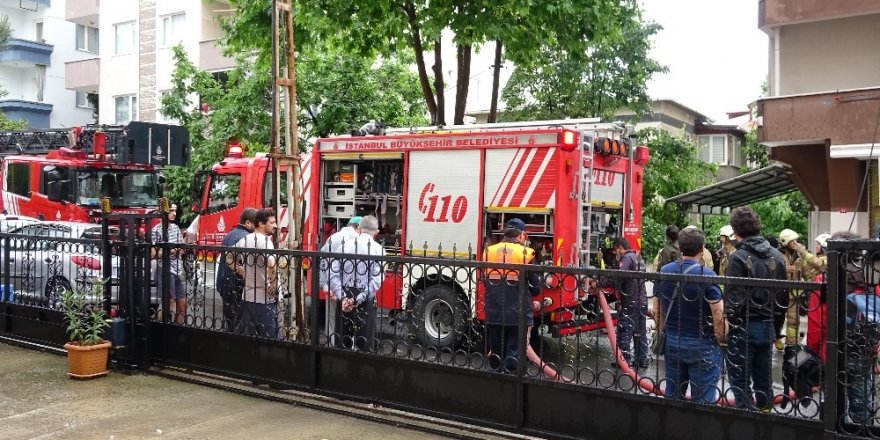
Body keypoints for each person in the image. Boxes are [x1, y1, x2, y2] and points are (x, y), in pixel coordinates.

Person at [724, 206, 787, 411]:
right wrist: (776, 330)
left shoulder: (737, 257)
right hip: (768, 325)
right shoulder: (778, 257)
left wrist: (730, 326)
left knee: (740, 382)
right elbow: (782, 299)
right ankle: (765, 419)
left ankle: (746, 423)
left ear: (735, 230)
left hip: (743, 326)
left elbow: (734, 299)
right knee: (764, 382)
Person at [658, 227, 727, 404]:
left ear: (680, 247)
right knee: (703, 401)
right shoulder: (708, 276)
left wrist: (661, 331)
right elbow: (718, 316)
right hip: (702, 344)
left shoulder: (665, 271)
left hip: (673, 341)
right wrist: (721, 340)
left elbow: (658, 306)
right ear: (702, 249)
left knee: (673, 396)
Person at [483, 218, 542, 372]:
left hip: (494, 312)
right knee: (514, 356)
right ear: (522, 235)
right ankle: (513, 389)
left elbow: (485, 281)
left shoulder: (489, 251)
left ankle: (495, 386)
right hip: (517, 315)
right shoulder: (525, 254)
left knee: (495, 355)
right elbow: (536, 289)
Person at [328, 215, 385, 351]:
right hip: (364, 299)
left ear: (359, 229)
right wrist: (357, 299)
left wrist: (343, 297)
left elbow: (333, 273)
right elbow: (376, 280)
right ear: (376, 232)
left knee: (342, 342)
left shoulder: (344, 246)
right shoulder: (379, 250)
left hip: (344, 297)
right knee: (366, 344)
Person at [228, 208, 279, 338]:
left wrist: (242, 271)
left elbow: (229, 258)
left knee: (251, 339)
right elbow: (272, 264)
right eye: (272, 223)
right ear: (261, 224)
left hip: (249, 297)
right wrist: (273, 286)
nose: (275, 226)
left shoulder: (245, 239)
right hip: (265, 299)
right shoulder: (265, 242)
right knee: (270, 339)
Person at [778, 229, 824, 348]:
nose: (795, 243)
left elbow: (808, 274)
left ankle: (791, 344)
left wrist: (815, 274)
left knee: (793, 321)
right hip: (779, 293)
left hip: (793, 295)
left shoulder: (800, 256)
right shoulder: (778, 255)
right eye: (792, 241)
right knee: (777, 318)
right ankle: (776, 337)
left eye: (796, 241)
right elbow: (771, 271)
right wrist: (784, 270)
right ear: (785, 242)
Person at [320, 217, 362, 342]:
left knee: (332, 320)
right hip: (351, 288)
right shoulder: (358, 239)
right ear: (358, 227)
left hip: (332, 286)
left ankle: (332, 345)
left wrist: (325, 286)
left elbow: (323, 262)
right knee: (352, 320)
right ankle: (349, 347)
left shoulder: (332, 238)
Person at [611, 237, 649, 369]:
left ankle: (624, 360)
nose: (616, 253)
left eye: (616, 250)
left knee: (624, 330)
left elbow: (620, 275)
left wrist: (600, 282)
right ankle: (641, 359)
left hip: (630, 300)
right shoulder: (638, 257)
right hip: (642, 300)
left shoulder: (626, 258)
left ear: (620, 247)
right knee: (639, 332)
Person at [216, 208, 257, 332]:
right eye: (256, 223)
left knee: (230, 320)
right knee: (239, 323)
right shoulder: (247, 237)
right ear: (248, 223)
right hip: (237, 286)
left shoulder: (230, 234)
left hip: (224, 284)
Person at [151, 203, 186, 324]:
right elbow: (153, 254)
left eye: (175, 211)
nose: (174, 214)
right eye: (171, 211)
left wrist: (180, 249)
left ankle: (177, 332)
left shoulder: (176, 228)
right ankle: (160, 330)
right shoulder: (156, 230)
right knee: (168, 302)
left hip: (178, 268)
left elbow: (181, 247)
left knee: (182, 305)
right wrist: (170, 250)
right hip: (165, 270)